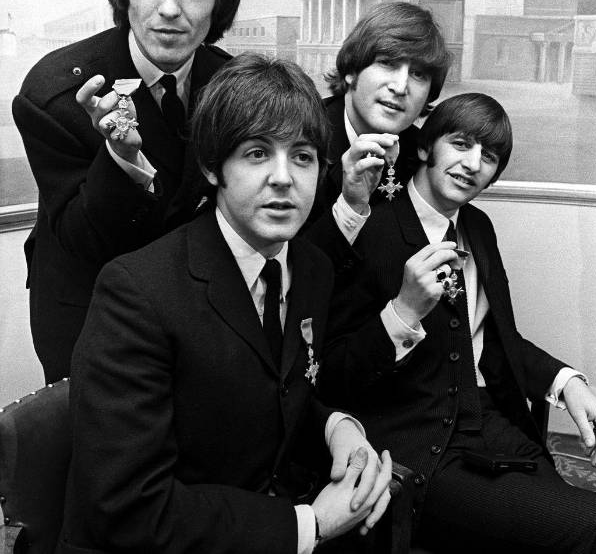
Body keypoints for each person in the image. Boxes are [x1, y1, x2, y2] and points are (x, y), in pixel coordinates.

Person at [57, 54, 392, 554]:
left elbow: (270, 393)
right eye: (257, 153)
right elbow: (126, 508)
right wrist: (310, 524)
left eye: (302, 157)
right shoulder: (136, 293)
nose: (284, 178)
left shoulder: (312, 268)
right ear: (212, 167)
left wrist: (334, 426)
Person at [320, 93, 596, 553]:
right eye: (461, 144)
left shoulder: (478, 226)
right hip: (421, 444)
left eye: (489, 156)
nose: (472, 164)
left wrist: (568, 383)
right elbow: (332, 373)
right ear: (425, 146)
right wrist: (402, 312)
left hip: (491, 422)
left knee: (568, 529)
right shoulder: (369, 227)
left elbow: (496, 340)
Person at [12, 0, 245, 383]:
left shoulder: (234, 85)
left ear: (220, 0)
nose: (170, 9)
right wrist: (121, 160)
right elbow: (82, 239)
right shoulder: (55, 94)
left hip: (198, 317)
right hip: (88, 314)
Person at [305, 2, 450, 271]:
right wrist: (349, 206)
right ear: (352, 71)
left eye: (418, 74)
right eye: (387, 63)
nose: (400, 87)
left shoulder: (424, 157)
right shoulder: (301, 137)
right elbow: (289, 267)